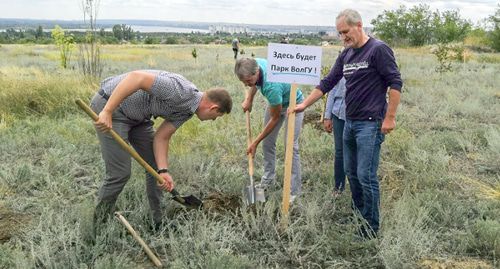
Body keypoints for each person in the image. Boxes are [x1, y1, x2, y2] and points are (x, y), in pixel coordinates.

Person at [294, 9, 402, 237]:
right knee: (351, 173)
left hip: (370, 124)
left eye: (345, 32)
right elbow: (328, 82)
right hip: (349, 121)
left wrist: (390, 117)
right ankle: (358, 214)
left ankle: (370, 229)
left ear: (359, 25)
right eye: (340, 33)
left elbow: (395, 83)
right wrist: (305, 105)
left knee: (366, 175)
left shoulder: (378, 49)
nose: (343, 37)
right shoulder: (346, 54)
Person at [90, 70, 232, 231]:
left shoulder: (187, 111)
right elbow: (137, 77)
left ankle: (157, 222)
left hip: (138, 117)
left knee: (156, 169)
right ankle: (99, 227)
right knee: (120, 173)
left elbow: (162, 137)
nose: (212, 120)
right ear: (213, 108)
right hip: (113, 108)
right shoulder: (180, 91)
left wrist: (164, 171)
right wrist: (107, 111)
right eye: (216, 117)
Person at [235, 57, 304, 203]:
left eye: (248, 81)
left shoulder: (271, 86)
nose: (247, 85)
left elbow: (275, 118)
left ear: (257, 72)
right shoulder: (255, 63)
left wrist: (255, 142)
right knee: (268, 143)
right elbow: (254, 86)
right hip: (277, 102)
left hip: (295, 104)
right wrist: (249, 100)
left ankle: (294, 190)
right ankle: (268, 180)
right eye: (244, 82)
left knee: (290, 147)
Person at [323, 76, 347, 195]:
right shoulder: (342, 62)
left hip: (359, 116)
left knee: (357, 152)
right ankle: (339, 187)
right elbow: (331, 90)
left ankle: (358, 189)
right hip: (338, 113)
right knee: (340, 152)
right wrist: (327, 116)